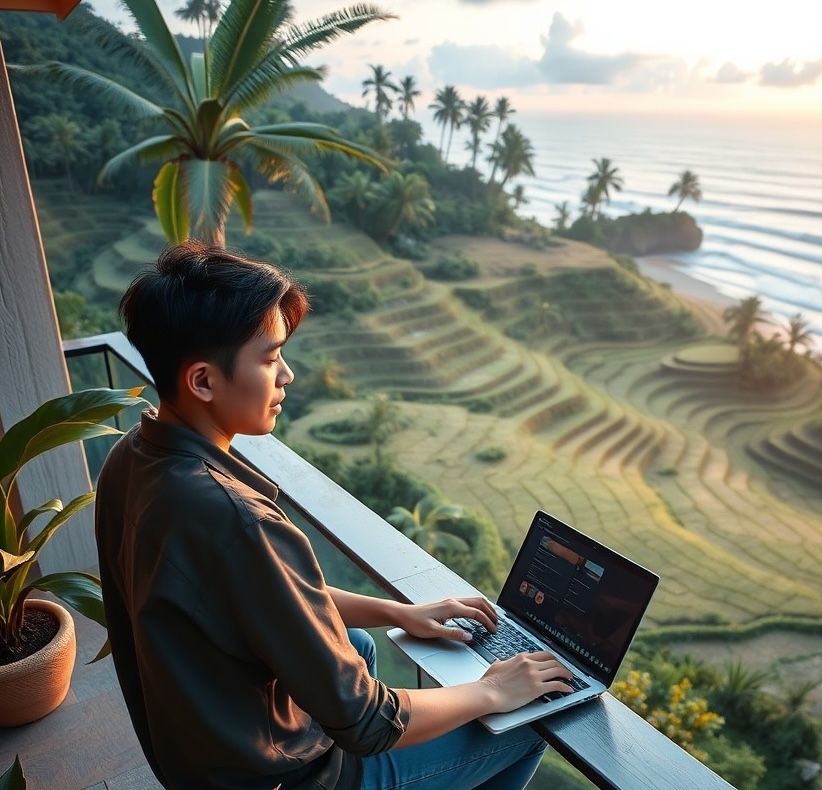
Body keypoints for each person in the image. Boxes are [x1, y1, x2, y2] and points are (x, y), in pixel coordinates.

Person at [94, 240, 572, 790]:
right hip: (283, 778)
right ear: (203, 381)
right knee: (532, 720)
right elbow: (368, 724)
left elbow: (266, 595)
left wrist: (400, 613)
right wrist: (493, 691)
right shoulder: (235, 518)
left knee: (362, 645)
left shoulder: (132, 457)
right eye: (270, 358)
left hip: (199, 748)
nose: (288, 375)